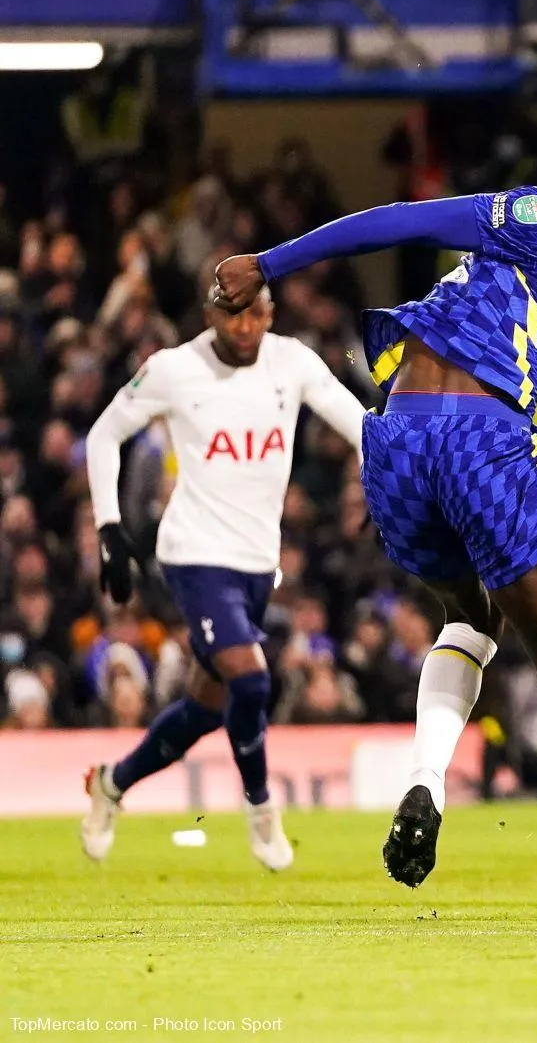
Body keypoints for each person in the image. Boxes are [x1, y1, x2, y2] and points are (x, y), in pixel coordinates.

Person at [210, 144, 537, 922]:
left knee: (471, 619)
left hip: (399, 447)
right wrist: (269, 264)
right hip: (477, 442)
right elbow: (404, 220)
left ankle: (425, 777)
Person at [80, 287, 367, 871]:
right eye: (231, 313)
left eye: (255, 312)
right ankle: (261, 809)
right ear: (209, 313)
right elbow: (103, 434)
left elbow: (363, 426)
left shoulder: (294, 362)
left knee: (209, 706)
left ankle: (111, 784)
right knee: (253, 680)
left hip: (259, 559)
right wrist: (109, 527)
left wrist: (396, 482)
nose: (244, 325)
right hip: (193, 552)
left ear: (271, 313)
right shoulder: (173, 370)